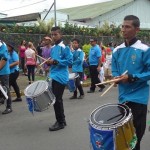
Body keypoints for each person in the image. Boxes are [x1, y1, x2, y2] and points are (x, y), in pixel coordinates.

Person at [111, 15, 150, 150]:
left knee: (135, 139)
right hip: (123, 98)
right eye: (122, 26)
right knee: (124, 137)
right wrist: (116, 78)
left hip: (139, 99)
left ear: (137, 29)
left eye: (127, 27)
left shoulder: (144, 49)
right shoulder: (117, 50)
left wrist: (132, 77)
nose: (123, 29)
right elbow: (115, 69)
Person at [46, 26, 73, 131]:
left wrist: (56, 62)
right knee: (56, 99)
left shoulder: (64, 47)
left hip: (61, 77)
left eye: (55, 34)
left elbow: (70, 62)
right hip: (53, 75)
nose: (53, 36)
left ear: (60, 35)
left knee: (57, 100)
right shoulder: (53, 48)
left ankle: (60, 122)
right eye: (52, 34)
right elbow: (53, 61)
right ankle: (62, 120)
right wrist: (49, 63)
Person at [0, 40, 12, 114]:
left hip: (3, 71)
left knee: (5, 88)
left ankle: (9, 107)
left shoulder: (1, 44)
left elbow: (4, 58)